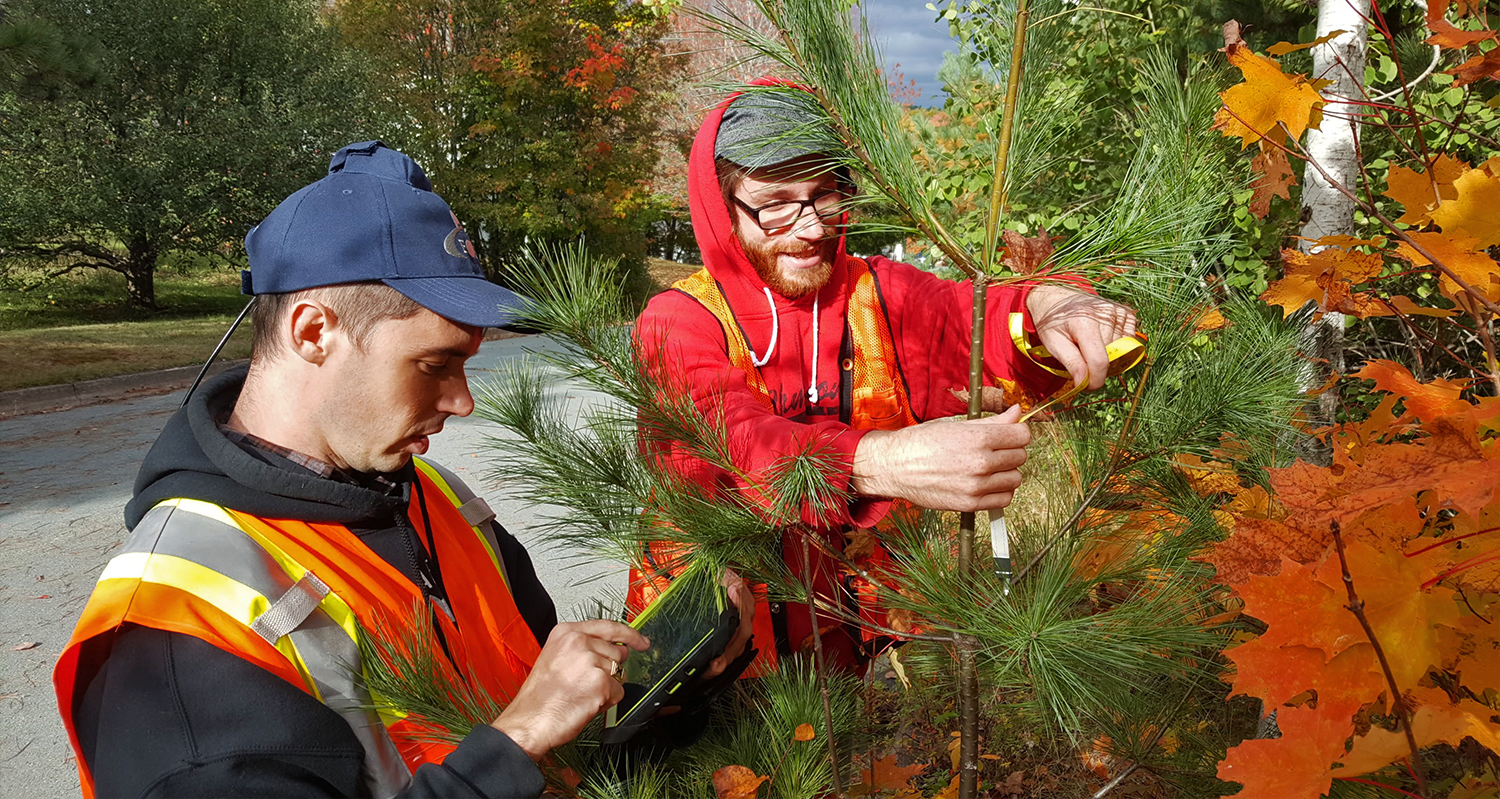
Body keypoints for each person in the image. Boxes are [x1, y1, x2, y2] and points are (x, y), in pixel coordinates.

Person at [53, 141, 751, 799]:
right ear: (312, 332)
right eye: (434, 364)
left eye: (467, 364)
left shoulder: (441, 501)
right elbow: (524, 737)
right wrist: (516, 741)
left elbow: (564, 746)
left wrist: (671, 692)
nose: (463, 402)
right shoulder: (173, 629)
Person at [632, 85, 1138, 673]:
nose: (811, 228)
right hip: (717, 650)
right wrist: (891, 462)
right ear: (723, 207)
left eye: (825, 197)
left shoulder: (878, 293)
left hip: (862, 635)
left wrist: (1052, 303)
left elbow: (976, 320)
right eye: (775, 204)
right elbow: (726, 446)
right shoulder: (677, 322)